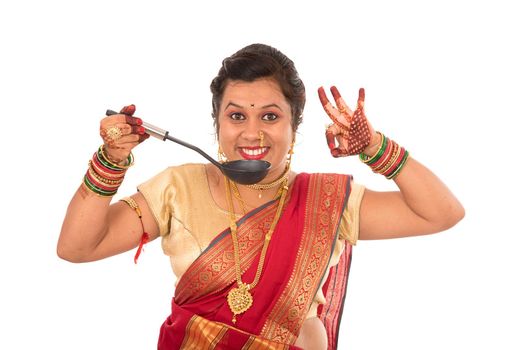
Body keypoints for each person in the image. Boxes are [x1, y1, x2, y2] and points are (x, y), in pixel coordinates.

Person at [57, 43, 464, 350]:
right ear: (217, 124)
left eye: (270, 116)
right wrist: (110, 161)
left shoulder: (327, 201)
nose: (252, 133)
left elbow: (441, 214)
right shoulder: (178, 188)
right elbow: (77, 247)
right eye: (237, 116)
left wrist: (375, 149)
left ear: (293, 127)